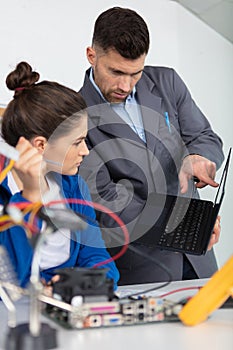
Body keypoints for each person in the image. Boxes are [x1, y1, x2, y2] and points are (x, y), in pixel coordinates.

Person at [78, 7, 224, 285]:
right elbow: (106, 201)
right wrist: (191, 224)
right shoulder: (75, 116)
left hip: (200, 260)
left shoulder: (167, 81)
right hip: (143, 268)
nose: (126, 85)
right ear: (91, 55)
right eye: (116, 71)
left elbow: (205, 135)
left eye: (136, 73)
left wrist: (199, 157)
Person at [0, 61, 119, 289]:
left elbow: (97, 257)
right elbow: (10, 281)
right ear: (41, 145)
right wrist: (30, 196)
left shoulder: (73, 186)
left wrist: (85, 285)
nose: (85, 150)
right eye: (77, 142)